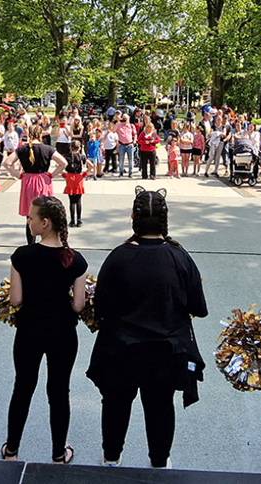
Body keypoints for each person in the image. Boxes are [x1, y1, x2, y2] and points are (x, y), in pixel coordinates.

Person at [87, 188, 207, 469]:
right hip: (166, 354)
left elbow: (100, 308)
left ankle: (112, 460)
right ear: (165, 219)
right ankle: (159, 465)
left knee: (116, 405)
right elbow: (199, 308)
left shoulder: (118, 257)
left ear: (133, 217)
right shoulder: (180, 257)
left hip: (120, 351)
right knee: (160, 407)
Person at [1, 196, 88, 465]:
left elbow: (15, 300)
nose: (28, 221)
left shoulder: (22, 256)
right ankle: (59, 454)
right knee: (59, 391)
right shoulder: (74, 260)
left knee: (23, 388)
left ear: (44, 223)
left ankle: (12, 451)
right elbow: (78, 305)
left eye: (30, 217)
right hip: (62, 333)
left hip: (29, 331)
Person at [3, 125, 68, 245]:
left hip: (28, 181)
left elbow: (7, 163)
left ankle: (31, 245)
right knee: (46, 213)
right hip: (43, 180)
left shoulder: (22, 149)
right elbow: (63, 163)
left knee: (30, 216)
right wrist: (52, 175)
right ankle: (48, 242)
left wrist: (18, 175)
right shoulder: (48, 149)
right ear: (40, 135)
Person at [63, 140, 92, 227]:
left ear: (70, 148)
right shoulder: (82, 157)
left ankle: (72, 220)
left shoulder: (66, 156)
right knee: (78, 201)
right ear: (79, 148)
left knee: (71, 201)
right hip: (79, 177)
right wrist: (86, 173)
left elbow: (59, 165)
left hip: (70, 177)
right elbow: (91, 165)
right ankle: (79, 220)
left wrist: (64, 175)